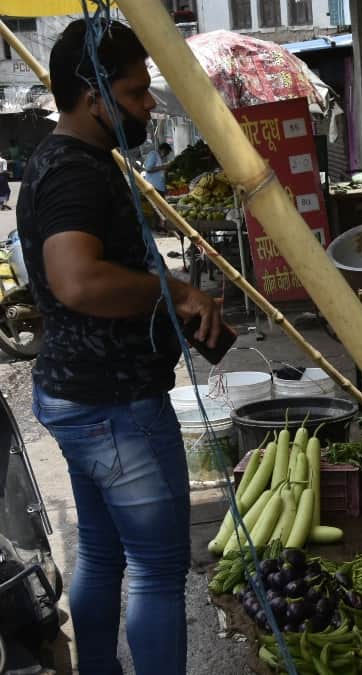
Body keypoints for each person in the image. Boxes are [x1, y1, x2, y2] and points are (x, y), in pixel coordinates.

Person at [16, 19, 226, 674]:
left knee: (104, 556)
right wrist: (178, 293)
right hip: (113, 407)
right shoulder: (73, 173)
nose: (148, 106)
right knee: (160, 568)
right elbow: (75, 279)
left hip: (82, 398)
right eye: (135, 93)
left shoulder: (62, 161)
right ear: (91, 92)